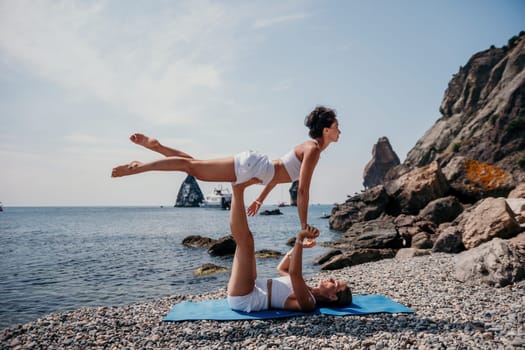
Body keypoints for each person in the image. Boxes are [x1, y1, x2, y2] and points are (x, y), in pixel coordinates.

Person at [111, 105, 341, 230]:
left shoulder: (310, 148)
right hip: (254, 167)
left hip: (258, 168)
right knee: (193, 168)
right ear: (326, 131)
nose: (340, 131)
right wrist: (303, 225)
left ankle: (158, 147)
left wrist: (260, 198)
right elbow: (302, 190)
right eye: (336, 127)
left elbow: (280, 175)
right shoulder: (312, 150)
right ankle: (140, 167)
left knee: (195, 165)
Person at [227, 180, 352, 313]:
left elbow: (294, 273)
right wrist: (300, 247)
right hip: (253, 286)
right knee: (248, 241)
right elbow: (282, 268)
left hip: (245, 298)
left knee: (245, 242)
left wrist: (300, 237)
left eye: (334, 283)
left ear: (332, 297)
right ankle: (237, 188)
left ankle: (237, 188)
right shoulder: (306, 287)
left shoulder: (309, 302)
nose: (331, 278)